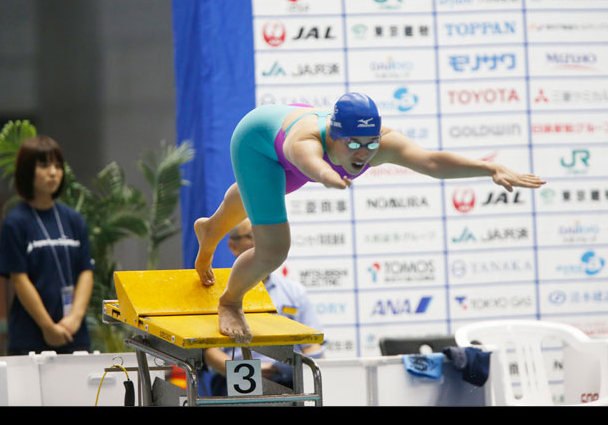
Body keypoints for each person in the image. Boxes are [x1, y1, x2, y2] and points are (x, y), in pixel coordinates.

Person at [194, 93, 546, 344]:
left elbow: (433, 162)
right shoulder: (306, 143)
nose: (363, 153)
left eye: (371, 143)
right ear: (334, 134)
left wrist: (489, 168)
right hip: (258, 139)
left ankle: (210, 229)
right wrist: (328, 176)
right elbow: (310, 163)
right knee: (274, 249)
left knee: (260, 195)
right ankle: (230, 301)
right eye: (354, 143)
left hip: (292, 134)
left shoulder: (381, 143)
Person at [201, 218, 324, 396]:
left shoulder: (294, 292)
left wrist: (308, 365)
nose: (263, 241)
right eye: (253, 236)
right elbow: (209, 351)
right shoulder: (216, 293)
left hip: (290, 380)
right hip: (236, 380)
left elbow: (313, 346)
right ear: (233, 246)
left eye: (266, 235)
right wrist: (245, 371)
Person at [0, 135, 94, 355]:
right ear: (26, 171)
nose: (53, 172)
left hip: (74, 334)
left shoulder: (74, 219)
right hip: (30, 336)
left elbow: (86, 272)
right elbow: (19, 280)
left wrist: (75, 318)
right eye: (44, 165)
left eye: (58, 166)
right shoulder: (15, 222)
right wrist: (47, 327)